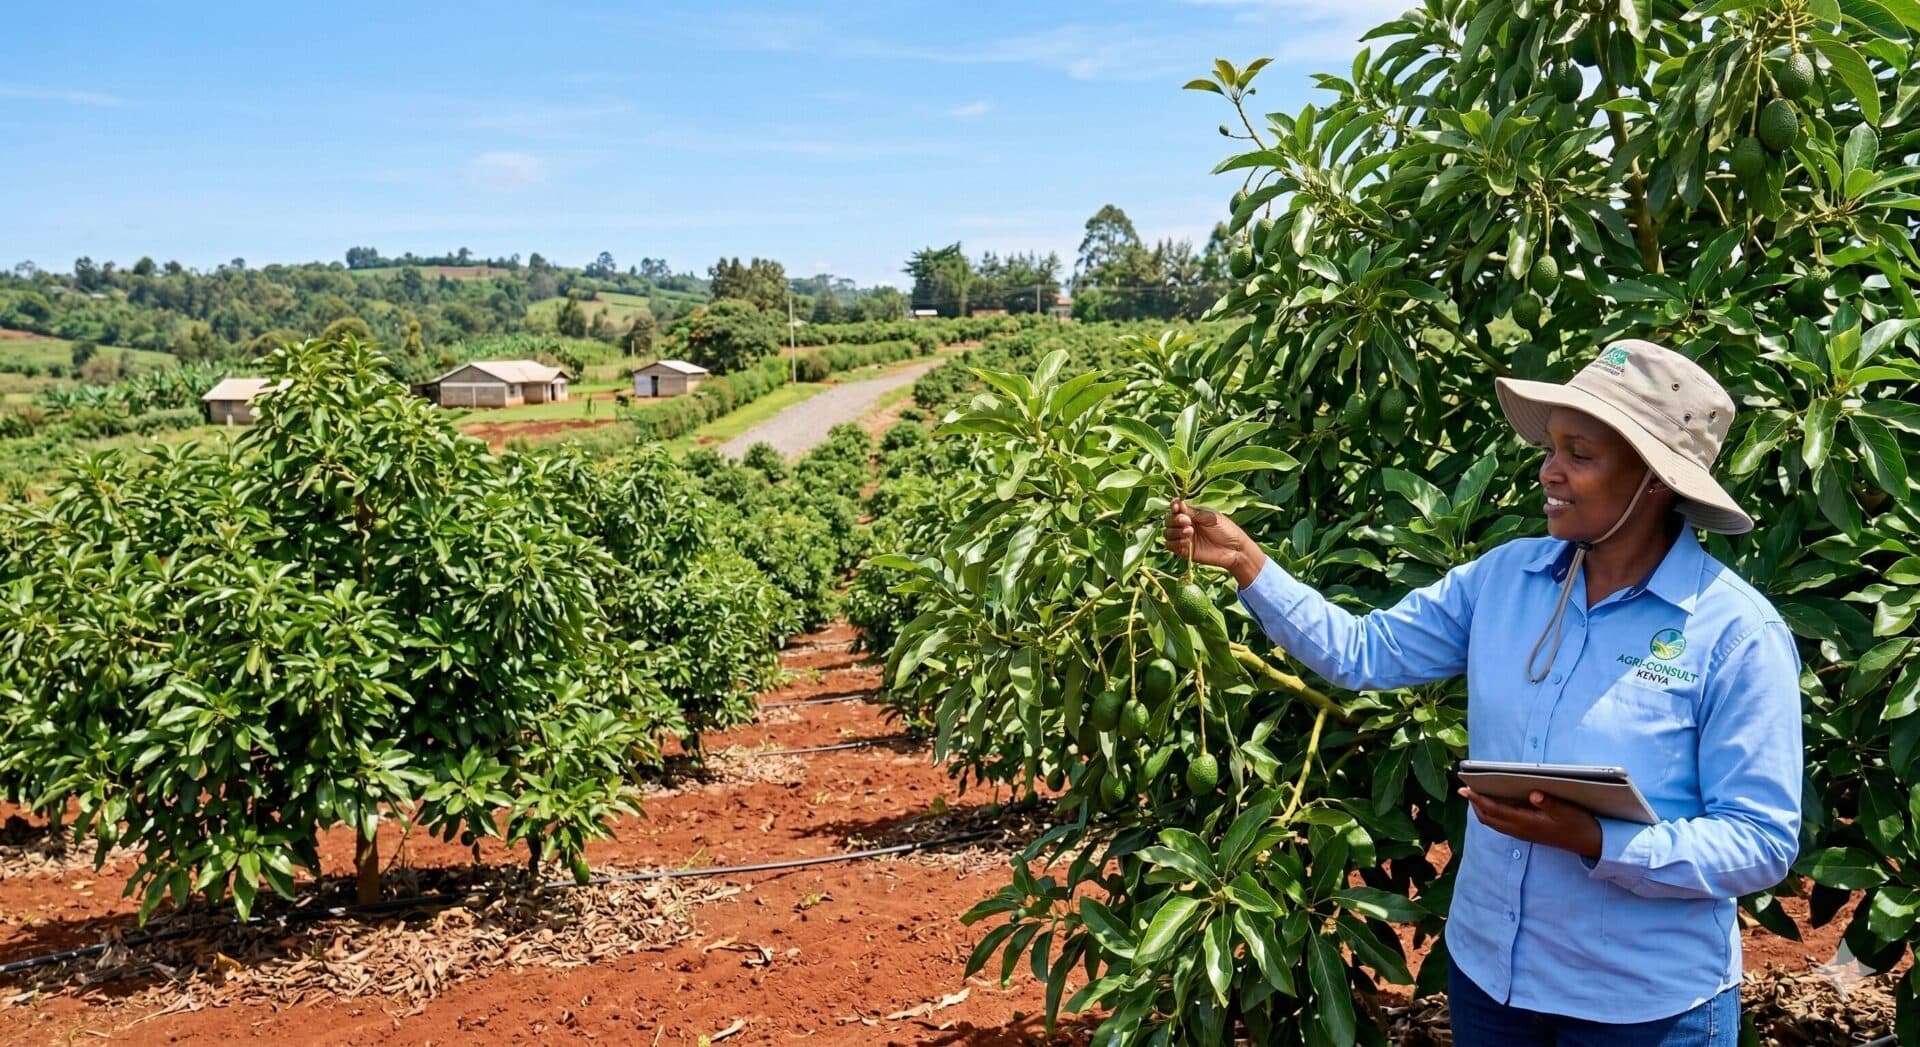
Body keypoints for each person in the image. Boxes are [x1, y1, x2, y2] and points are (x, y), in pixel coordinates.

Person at [1164, 339, 1802, 1045]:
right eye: (1551, 448)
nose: (1548, 471)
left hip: (1643, 1009)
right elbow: (1362, 651)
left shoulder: (1735, 633)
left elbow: (1761, 840)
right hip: (1493, 985)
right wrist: (1247, 562)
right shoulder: (1504, 580)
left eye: (1579, 455)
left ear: (1655, 479)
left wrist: (1598, 838)